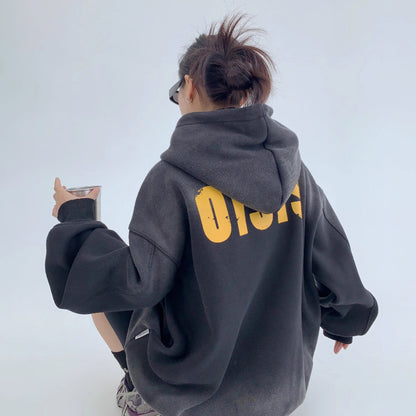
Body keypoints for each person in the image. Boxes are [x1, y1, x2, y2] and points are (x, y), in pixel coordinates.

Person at [45, 13, 379, 416]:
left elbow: (136, 283)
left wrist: (78, 220)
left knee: (97, 267)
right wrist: (346, 320)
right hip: (282, 390)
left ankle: (142, 394)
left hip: (195, 399)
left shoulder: (170, 180)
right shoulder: (294, 173)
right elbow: (331, 254)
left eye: (177, 93)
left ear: (188, 87)